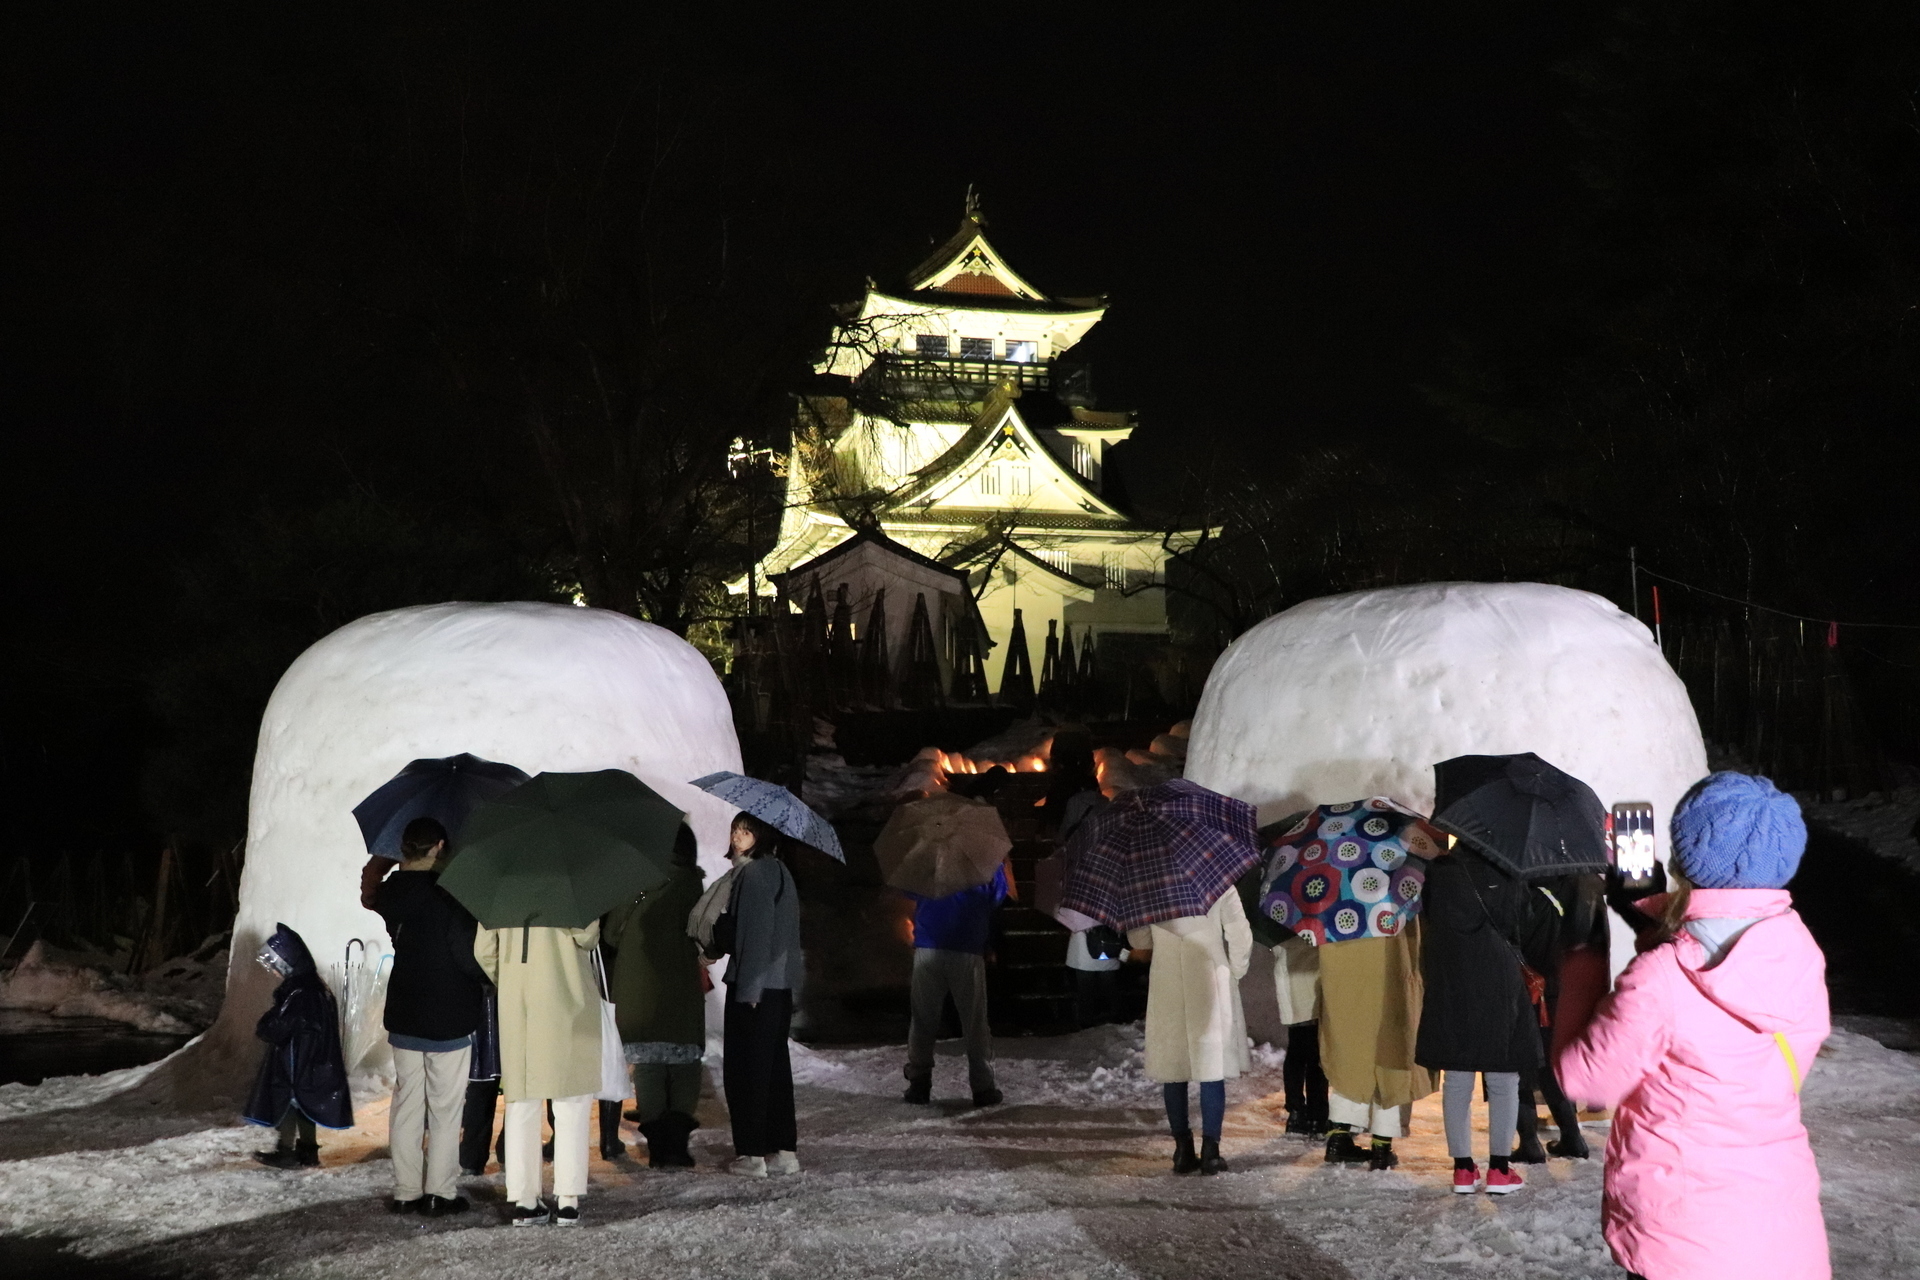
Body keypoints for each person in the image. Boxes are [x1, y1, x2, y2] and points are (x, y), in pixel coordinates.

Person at [1557, 772, 1830, 1280]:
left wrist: (1581, 969)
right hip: (1783, 1238)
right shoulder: (1796, 950)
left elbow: (1585, 1080)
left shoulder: (1661, 980)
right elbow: (1722, 935)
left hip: (1684, 1243)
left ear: (1684, 856)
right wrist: (1645, 906)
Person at [1415, 836, 1554, 1194]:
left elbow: (1430, 918)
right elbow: (1520, 923)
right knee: (1504, 1077)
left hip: (1450, 977)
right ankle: (1499, 1170)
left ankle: (1463, 1169)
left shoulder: (1438, 872)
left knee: (1457, 1077)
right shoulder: (1507, 872)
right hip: (1498, 979)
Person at [371, 817, 486, 1215]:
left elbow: (374, 895)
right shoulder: (452, 894)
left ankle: (406, 1191)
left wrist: (378, 866)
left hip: (405, 1010)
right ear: (439, 846)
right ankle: (439, 1192)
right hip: (450, 1012)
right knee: (445, 1106)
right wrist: (487, 981)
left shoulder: (391, 894)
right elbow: (467, 956)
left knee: (407, 1104)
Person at [475, 915, 602, 1225]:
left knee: (521, 1101)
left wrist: (509, 979)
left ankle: (525, 1199)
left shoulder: (503, 889)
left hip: (518, 1003)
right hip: (567, 999)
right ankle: (568, 1199)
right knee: (570, 1099)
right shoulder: (570, 883)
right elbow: (588, 938)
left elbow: (483, 950)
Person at [1126, 888, 1254, 1176]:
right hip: (1210, 975)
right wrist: (1235, 970)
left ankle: (1182, 1150)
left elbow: (1139, 939)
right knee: (1212, 1066)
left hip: (1167, 979)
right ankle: (1211, 1151)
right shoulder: (1219, 881)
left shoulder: (1149, 884)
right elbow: (1239, 933)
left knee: (1174, 1068)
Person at [604, 824, 707, 1168]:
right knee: (683, 1063)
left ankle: (659, 1145)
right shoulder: (693, 883)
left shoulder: (632, 878)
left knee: (647, 1063)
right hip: (679, 983)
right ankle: (677, 1143)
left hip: (637, 983)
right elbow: (703, 935)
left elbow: (611, 932)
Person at [720, 812, 803, 1178]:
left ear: (761, 835)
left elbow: (756, 936)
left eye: (746, 831)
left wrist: (750, 988)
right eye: (736, 830)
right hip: (778, 986)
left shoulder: (754, 875)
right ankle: (783, 1150)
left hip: (755, 987)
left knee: (746, 1071)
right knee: (774, 1070)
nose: (738, 837)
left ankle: (752, 1154)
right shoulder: (779, 871)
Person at [1316, 921, 1433, 1171]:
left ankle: (1339, 1136)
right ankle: (1382, 1145)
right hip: (1392, 969)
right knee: (1391, 1051)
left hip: (1345, 963)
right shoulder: (1401, 886)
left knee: (1350, 1052)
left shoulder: (1336, 887)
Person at [244, 923, 353, 1167]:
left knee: (291, 1103)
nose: (274, 972)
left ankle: (287, 1150)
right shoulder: (313, 987)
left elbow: (282, 1025)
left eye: (276, 966)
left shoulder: (301, 992)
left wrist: (266, 1025)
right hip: (311, 1060)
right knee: (302, 1106)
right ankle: (306, 1151)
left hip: (298, 1061)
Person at [901, 862, 1008, 1108]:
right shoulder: (986, 858)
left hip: (929, 943)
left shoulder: (927, 855)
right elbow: (997, 898)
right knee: (974, 1021)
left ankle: (919, 1082)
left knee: (923, 1018)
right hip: (967, 946)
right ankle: (982, 1086)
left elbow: (910, 892)